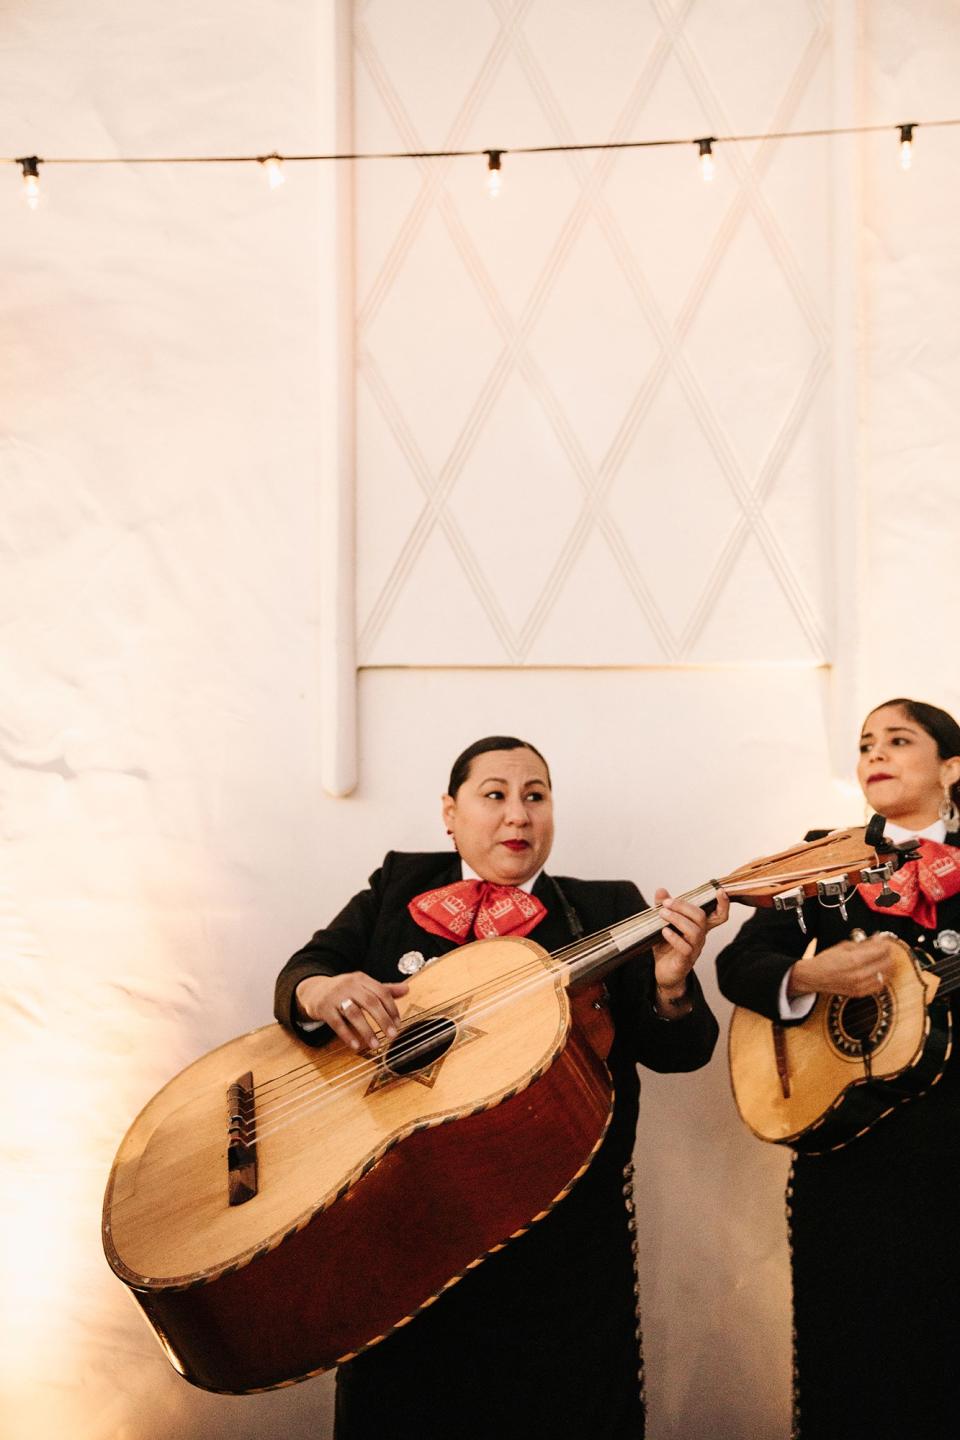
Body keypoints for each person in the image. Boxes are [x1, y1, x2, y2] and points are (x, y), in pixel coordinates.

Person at [275, 734, 728, 1439]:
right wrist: (325, 987)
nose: (518, 814)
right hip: (402, 1224)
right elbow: (306, 969)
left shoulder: (607, 906)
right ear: (450, 814)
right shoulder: (400, 883)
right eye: (495, 795)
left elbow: (680, 1050)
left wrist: (670, 985)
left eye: (535, 796)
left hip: (560, 1247)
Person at [716, 698, 960, 1440]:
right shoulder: (828, 863)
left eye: (898, 740)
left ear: (952, 768)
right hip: (851, 1159)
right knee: (848, 1363)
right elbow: (738, 963)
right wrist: (810, 978)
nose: (875, 753)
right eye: (864, 744)